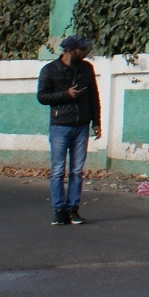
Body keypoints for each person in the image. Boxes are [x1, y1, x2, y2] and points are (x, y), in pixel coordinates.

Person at [36, 35, 101, 224]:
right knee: (57, 170)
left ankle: (73, 208)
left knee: (77, 171)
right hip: (60, 126)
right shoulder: (49, 70)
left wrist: (96, 122)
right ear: (71, 50)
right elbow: (42, 96)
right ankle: (59, 209)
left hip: (81, 126)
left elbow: (94, 97)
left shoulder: (86, 68)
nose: (86, 52)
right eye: (83, 49)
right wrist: (66, 94)